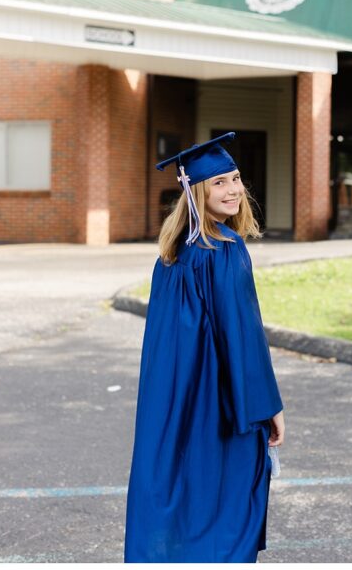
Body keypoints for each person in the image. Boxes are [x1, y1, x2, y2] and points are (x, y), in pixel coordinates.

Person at [124, 132, 284, 562]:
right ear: (195, 191)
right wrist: (267, 407)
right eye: (218, 183)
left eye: (235, 179)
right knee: (227, 498)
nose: (233, 190)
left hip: (175, 400)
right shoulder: (225, 250)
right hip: (219, 401)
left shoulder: (172, 255)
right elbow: (243, 335)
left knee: (181, 489)